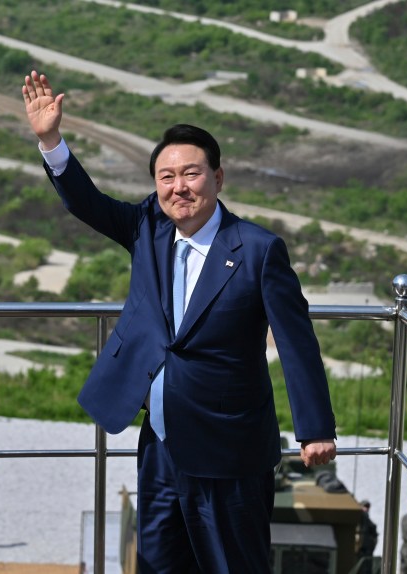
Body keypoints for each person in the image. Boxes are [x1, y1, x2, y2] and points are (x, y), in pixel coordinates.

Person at [22, 70, 337, 573]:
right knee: (158, 565)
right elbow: (87, 204)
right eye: (167, 177)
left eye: (191, 174)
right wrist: (50, 140)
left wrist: (315, 428)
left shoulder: (258, 250)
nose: (179, 187)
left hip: (229, 450)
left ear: (217, 177)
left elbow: (297, 342)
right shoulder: (149, 226)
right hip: (161, 446)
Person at [357, 500, 378, 573]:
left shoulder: (367, 520)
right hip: (360, 551)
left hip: (367, 551)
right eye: (364, 506)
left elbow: (374, 533)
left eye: (367, 507)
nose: (366, 509)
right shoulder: (359, 517)